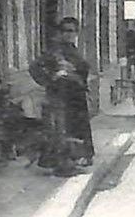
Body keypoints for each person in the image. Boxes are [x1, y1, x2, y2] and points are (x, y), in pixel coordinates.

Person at [29, 17, 95, 175]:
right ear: (60, 32)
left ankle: (72, 161)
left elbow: (81, 70)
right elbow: (34, 67)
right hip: (61, 96)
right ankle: (62, 165)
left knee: (75, 128)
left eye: (71, 31)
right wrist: (50, 79)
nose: (68, 34)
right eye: (65, 30)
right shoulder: (55, 51)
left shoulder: (73, 49)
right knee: (62, 130)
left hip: (75, 96)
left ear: (77, 33)